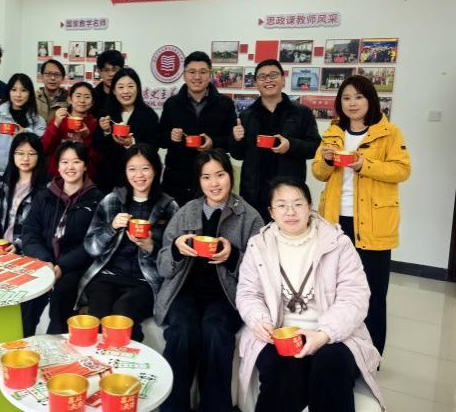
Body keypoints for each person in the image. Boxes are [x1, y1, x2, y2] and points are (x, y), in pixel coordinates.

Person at [236, 177, 384, 412]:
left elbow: (355, 296)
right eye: (282, 205)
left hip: (334, 335)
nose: (290, 212)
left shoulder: (337, 243)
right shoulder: (258, 245)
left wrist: (325, 334)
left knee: (330, 363)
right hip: (279, 334)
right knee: (282, 370)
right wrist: (259, 320)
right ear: (271, 212)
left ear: (310, 207)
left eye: (298, 204)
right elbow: (248, 293)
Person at [156, 149, 264, 412]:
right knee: (182, 331)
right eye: (206, 177)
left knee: (215, 331)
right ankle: (173, 408)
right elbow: (162, 266)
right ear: (199, 180)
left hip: (226, 296)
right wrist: (176, 250)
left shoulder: (249, 216)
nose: (214, 183)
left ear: (231, 176)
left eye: (220, 175)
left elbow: (262, 271)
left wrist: (232, 256)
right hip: (185, 292)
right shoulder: (187, 212)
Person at [312, 75, 410, 355]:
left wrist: (363, 164)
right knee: (334, 289)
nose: (352, 103)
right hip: (335, 221)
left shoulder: (389, 132)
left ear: (370, 100)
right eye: (346, 98)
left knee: (373, 293)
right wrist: (327, 161)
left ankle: (371, 356)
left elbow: (401, 170)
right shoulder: (333, 132)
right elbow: (318, 172)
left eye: (358, 97)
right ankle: (340, 351)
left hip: (373, 224)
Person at [78, 144, 178, 341]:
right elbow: (91, 248)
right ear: (125, 172)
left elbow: (175, 261)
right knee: (97, 319)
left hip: (145, 281)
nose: (139, 175)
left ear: (156, 170)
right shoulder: (111, 200)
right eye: (132, 169)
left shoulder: (169, 206)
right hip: (107, 276)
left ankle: (128, 359)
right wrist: (111, 228)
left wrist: (151, 247)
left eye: (145, 168)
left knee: (122, 316)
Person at [21, 142, 102, 337]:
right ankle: (22, 344)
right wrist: (45, 261)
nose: (70, 167)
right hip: (43, 262)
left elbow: (93, 243)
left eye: (76, 161)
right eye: (65, 162)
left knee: (62, 296)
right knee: (27, 299)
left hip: (75, 266)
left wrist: (62, 266)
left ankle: (55, 346)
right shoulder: (44, 195)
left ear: (85, 166)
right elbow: (30, 232)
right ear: (57, 166)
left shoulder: (97, 199)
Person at [229, 59, 321, 220]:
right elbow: (238, 155)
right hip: (254, 195)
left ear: (283, 80)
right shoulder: (246, 115)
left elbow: (315, 147)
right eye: (262, 77)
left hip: (289, 194)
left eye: (273, 75)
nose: (268, 80)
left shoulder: (302, 113)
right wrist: (236, 139)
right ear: (256, 83)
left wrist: (290, 145)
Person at [158, 51, 237, 205]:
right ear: (184, 75)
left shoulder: (225, 104)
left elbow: (232, 141)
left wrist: (212, 142)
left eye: (202, 72)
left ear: (210, 75)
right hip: (177, 181)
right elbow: (159, 138)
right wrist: (170, 136)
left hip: (213, 181)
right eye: (192, 72)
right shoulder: (172, 104)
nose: (197, 77)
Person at [93, 68, 159, 194]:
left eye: (130, 86)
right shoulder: (105, 114)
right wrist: (106, 131)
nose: (126, 91)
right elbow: (97, 147)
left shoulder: (149, 115)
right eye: (121, 87)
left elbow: (153, 147)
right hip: (108, 180)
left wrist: (131, 144)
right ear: (114, 91)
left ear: (138, 89)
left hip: (138, 181)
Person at [0, 133, 48, 253]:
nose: (25, 158)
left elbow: (43, 226)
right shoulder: (3, 186)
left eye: (31, 154)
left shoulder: (46, 189)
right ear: (12, 155)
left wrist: (18, 245)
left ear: (39, 156)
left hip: (28, 251)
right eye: (20, 153)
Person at [0, 73, 46, 176]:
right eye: (14, 90)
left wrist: (26, 135)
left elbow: (42, 149)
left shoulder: (38, 121)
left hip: (26, 175)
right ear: (8, 92)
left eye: (23, 90)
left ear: (30, 93)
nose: (18, 95)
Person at [42, 81, 97, 180]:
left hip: (84, 178)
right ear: (70, 99)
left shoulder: (94, 123)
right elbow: (45, 148)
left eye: (87, 97)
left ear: (92, 103)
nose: (82, 100)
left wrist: (87, 137)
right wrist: (56, 124)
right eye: (78, 96)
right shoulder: (60, 119)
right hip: (57, 176)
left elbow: (96, 158)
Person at [91, 49, 124, 118]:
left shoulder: (127, 95)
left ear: (122, 70)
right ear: (100, 72)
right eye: (106, 70)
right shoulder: (92, 96)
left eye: (115, 69)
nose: (111, 74)